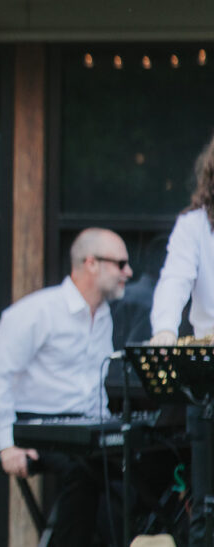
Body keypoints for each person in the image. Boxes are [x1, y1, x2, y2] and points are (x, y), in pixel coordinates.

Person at [0, 228, 133, 545]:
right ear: (91, 263)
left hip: (87, 427)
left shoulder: (104, 315)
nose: (128, 272)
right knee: (86, 466)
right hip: (38, 426)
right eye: (121, 263)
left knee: (136, 464)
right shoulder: (36, 312)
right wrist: (7, 444)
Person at [150, 133, 214, 547]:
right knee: (206, 506)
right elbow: (174, 282)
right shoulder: (195, 226)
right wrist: (164, 334)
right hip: (210, 374)